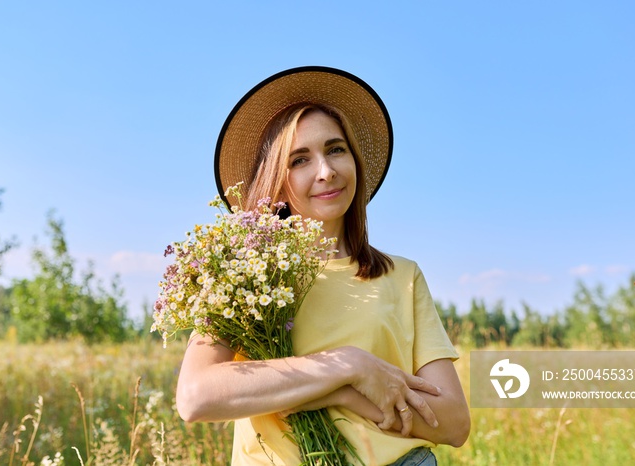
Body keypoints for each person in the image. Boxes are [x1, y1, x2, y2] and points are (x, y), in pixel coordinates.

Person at [176, 66, 470, 465]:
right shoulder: (239, 276)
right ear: (276, 182)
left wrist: (344, 393)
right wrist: (348, 368)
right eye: (300, 160)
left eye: (336, 149)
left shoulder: (403, 276)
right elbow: (197, 395)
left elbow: (453, 423)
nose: (326, 171)